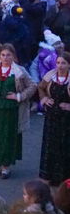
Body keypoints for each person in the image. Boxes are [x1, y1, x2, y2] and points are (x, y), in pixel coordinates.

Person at [0, 43, 36, 179]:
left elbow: (32, 86)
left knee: (7, 137)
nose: (5, 58)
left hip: (11, 111)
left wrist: (19, 96)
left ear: (13, 56)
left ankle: (5, 166)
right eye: (3, 55)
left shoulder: (19, 71)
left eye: (8, 55)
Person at [38, 51, 70, 186]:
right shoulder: (50, 75)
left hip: (66, 120)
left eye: (63, 63)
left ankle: (64, 178)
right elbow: (40, 87)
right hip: (51, 118)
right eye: (58, 63)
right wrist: (44, 99)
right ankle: (48, 176)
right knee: (49, 146)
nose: (60, 66)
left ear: (69, 65)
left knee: (64, 147)